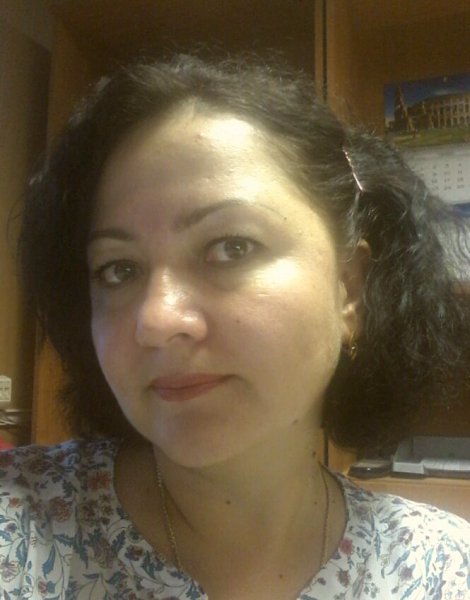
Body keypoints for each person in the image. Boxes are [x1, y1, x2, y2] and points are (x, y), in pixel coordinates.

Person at [1, 53, 469, 599]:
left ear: (350, 289)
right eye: (118, 270)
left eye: (231, 247)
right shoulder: (19, 530)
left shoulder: (441, 571)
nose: (155, 320)